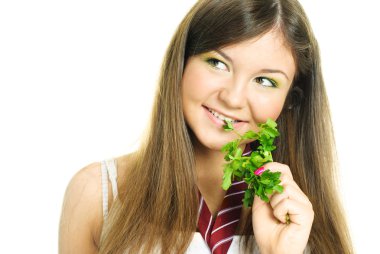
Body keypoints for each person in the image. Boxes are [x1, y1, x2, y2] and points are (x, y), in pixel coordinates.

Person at [59, 0, 353, 253]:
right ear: (183, 60)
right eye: (218, 63)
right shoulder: (98, 194)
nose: (233, 97)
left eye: (265, 81)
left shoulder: (306, 220)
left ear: (291, 99)